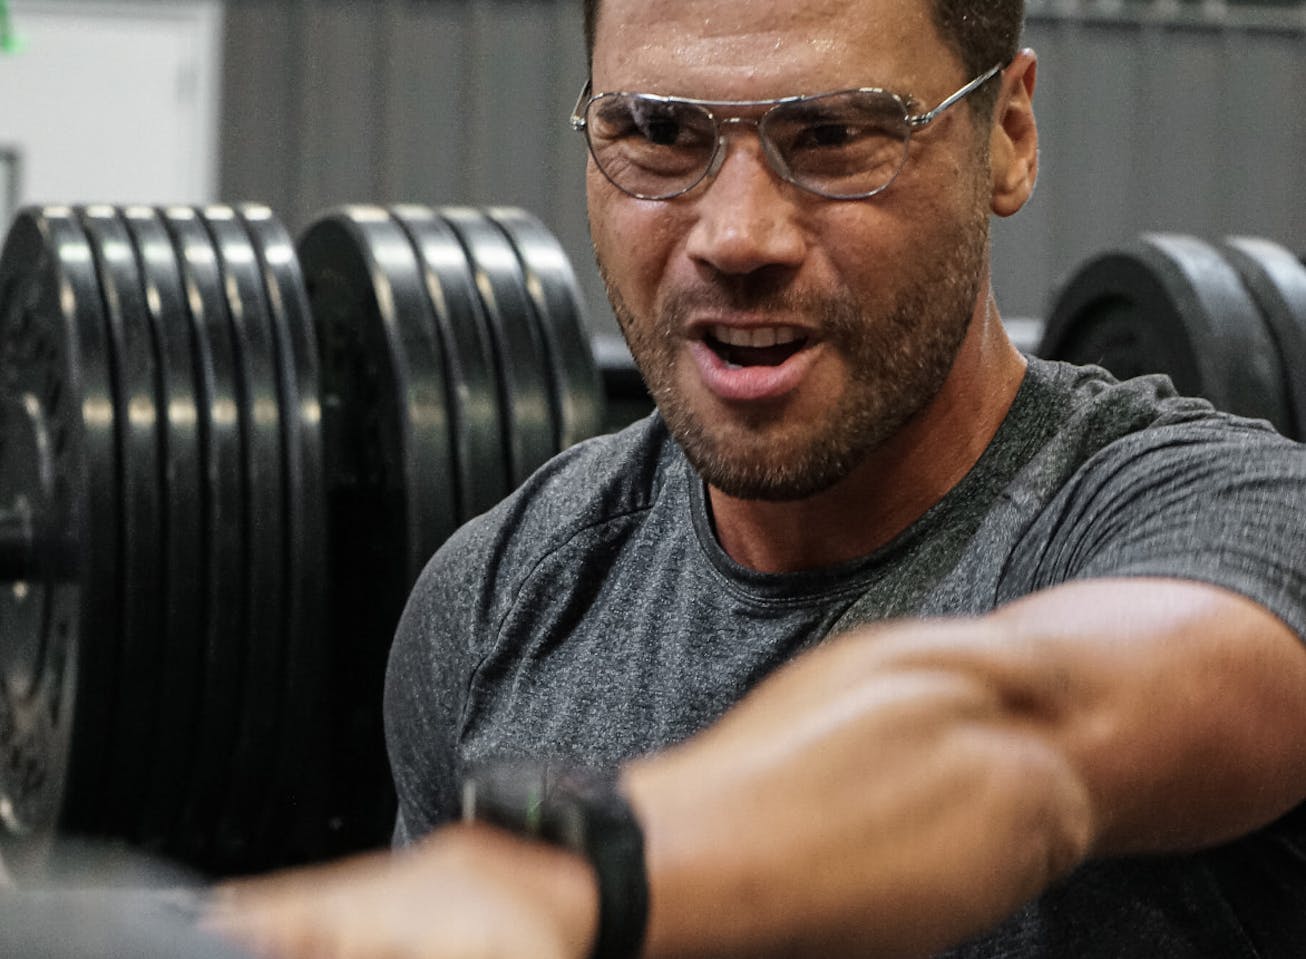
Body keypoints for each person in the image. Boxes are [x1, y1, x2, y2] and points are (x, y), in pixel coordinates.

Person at [212, 0, 1306, 955]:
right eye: (658, 133)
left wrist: (558, 882)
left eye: (833, 135)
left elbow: (1021, 736)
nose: (738, 236)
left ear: (1008, 137)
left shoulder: (1232, 525)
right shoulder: (497, 601)